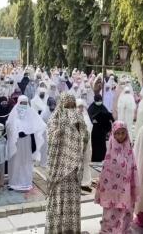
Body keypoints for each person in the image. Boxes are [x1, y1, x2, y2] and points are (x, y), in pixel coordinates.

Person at [46, 93, 89, 233]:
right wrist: (63, 129)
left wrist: (78, 129)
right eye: (67, 106)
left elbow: (85, 137)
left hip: (74, 171)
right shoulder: (54, 119)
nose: (70, 109)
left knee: (72, 203)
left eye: (73, 106)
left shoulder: (79, 118)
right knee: (58, 200)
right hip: (59, 171)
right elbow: (51, 139)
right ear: (61, 105)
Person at [95, 121, 138, 234]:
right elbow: (106, 171)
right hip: (112, 190)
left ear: (127, 133)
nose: (120, 136)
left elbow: (133, 168)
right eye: (117, 133)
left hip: (126, 188)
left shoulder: (129, 149)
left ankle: (123, 228)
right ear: (113, 134)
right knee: (110, 211)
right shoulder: (111, 149)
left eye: (123, 133)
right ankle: (108, 229)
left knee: (125, 210)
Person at [6, 95, 46, 191]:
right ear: (18, 102)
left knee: (26, 162)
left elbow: (40, 124)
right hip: (17, 143)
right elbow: (8, 125)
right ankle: (14, 182)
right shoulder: (14, 113)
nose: (23, 105)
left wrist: (29, 131)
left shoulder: (30, 113)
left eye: (25, 103)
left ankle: (26, 182)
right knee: (16, 162)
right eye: (22, 103)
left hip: (26, 142)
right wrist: (15, 131)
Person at [88, 94, 114, 162]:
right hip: (95, 130)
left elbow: (107, 113)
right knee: (96, 145)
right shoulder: (91, 108)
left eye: (100, 100)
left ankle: (103, 158)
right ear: (95, 100)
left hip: (102, 130)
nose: (99, 102)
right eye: (98, 101)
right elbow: (90, 117)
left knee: (102, 144)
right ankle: (95, 159)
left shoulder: (102, 106)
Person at [76, 99, 93, 191]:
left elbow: (89, 130)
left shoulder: (86, 118)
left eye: (82, 106)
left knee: (85, 162)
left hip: (86, 144)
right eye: (79, 106)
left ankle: (85, 181)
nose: (81, 109)